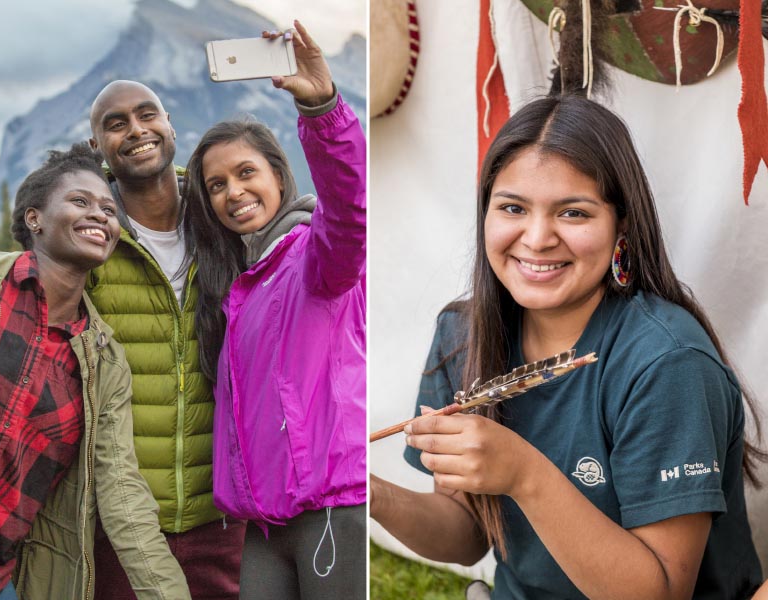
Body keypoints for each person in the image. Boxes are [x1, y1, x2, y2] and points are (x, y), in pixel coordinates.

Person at [369, 93, 764, 596]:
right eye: (512, 207)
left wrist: (524, 474)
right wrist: (374, 495)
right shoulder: (462, 336)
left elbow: (659, 592)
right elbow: (466, 533)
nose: (536, 238)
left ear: (622, 224)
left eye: (573, 213)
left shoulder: (668, 364)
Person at [178, 21, 366, 600]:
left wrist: (323, 111)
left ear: (279, 177)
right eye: (215, 185)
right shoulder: (239, 287)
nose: (232, 192)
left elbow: (349, 207)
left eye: (245, 173)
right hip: (261, 527)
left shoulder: (317, 257)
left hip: (330, 511)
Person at [0, 143, 188, 600]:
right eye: (80, 202)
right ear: (35, 219)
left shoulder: (106, 365)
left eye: (109, 210)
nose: (101, 216)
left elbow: (123, 495)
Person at [85, 77, 245, 597]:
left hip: (224, 515)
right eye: (116, 124)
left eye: (146, 114)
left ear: (170, 124)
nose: (136, 130)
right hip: (120, 527)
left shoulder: (229, 223)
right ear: (97, 149)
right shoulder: (86, 243)